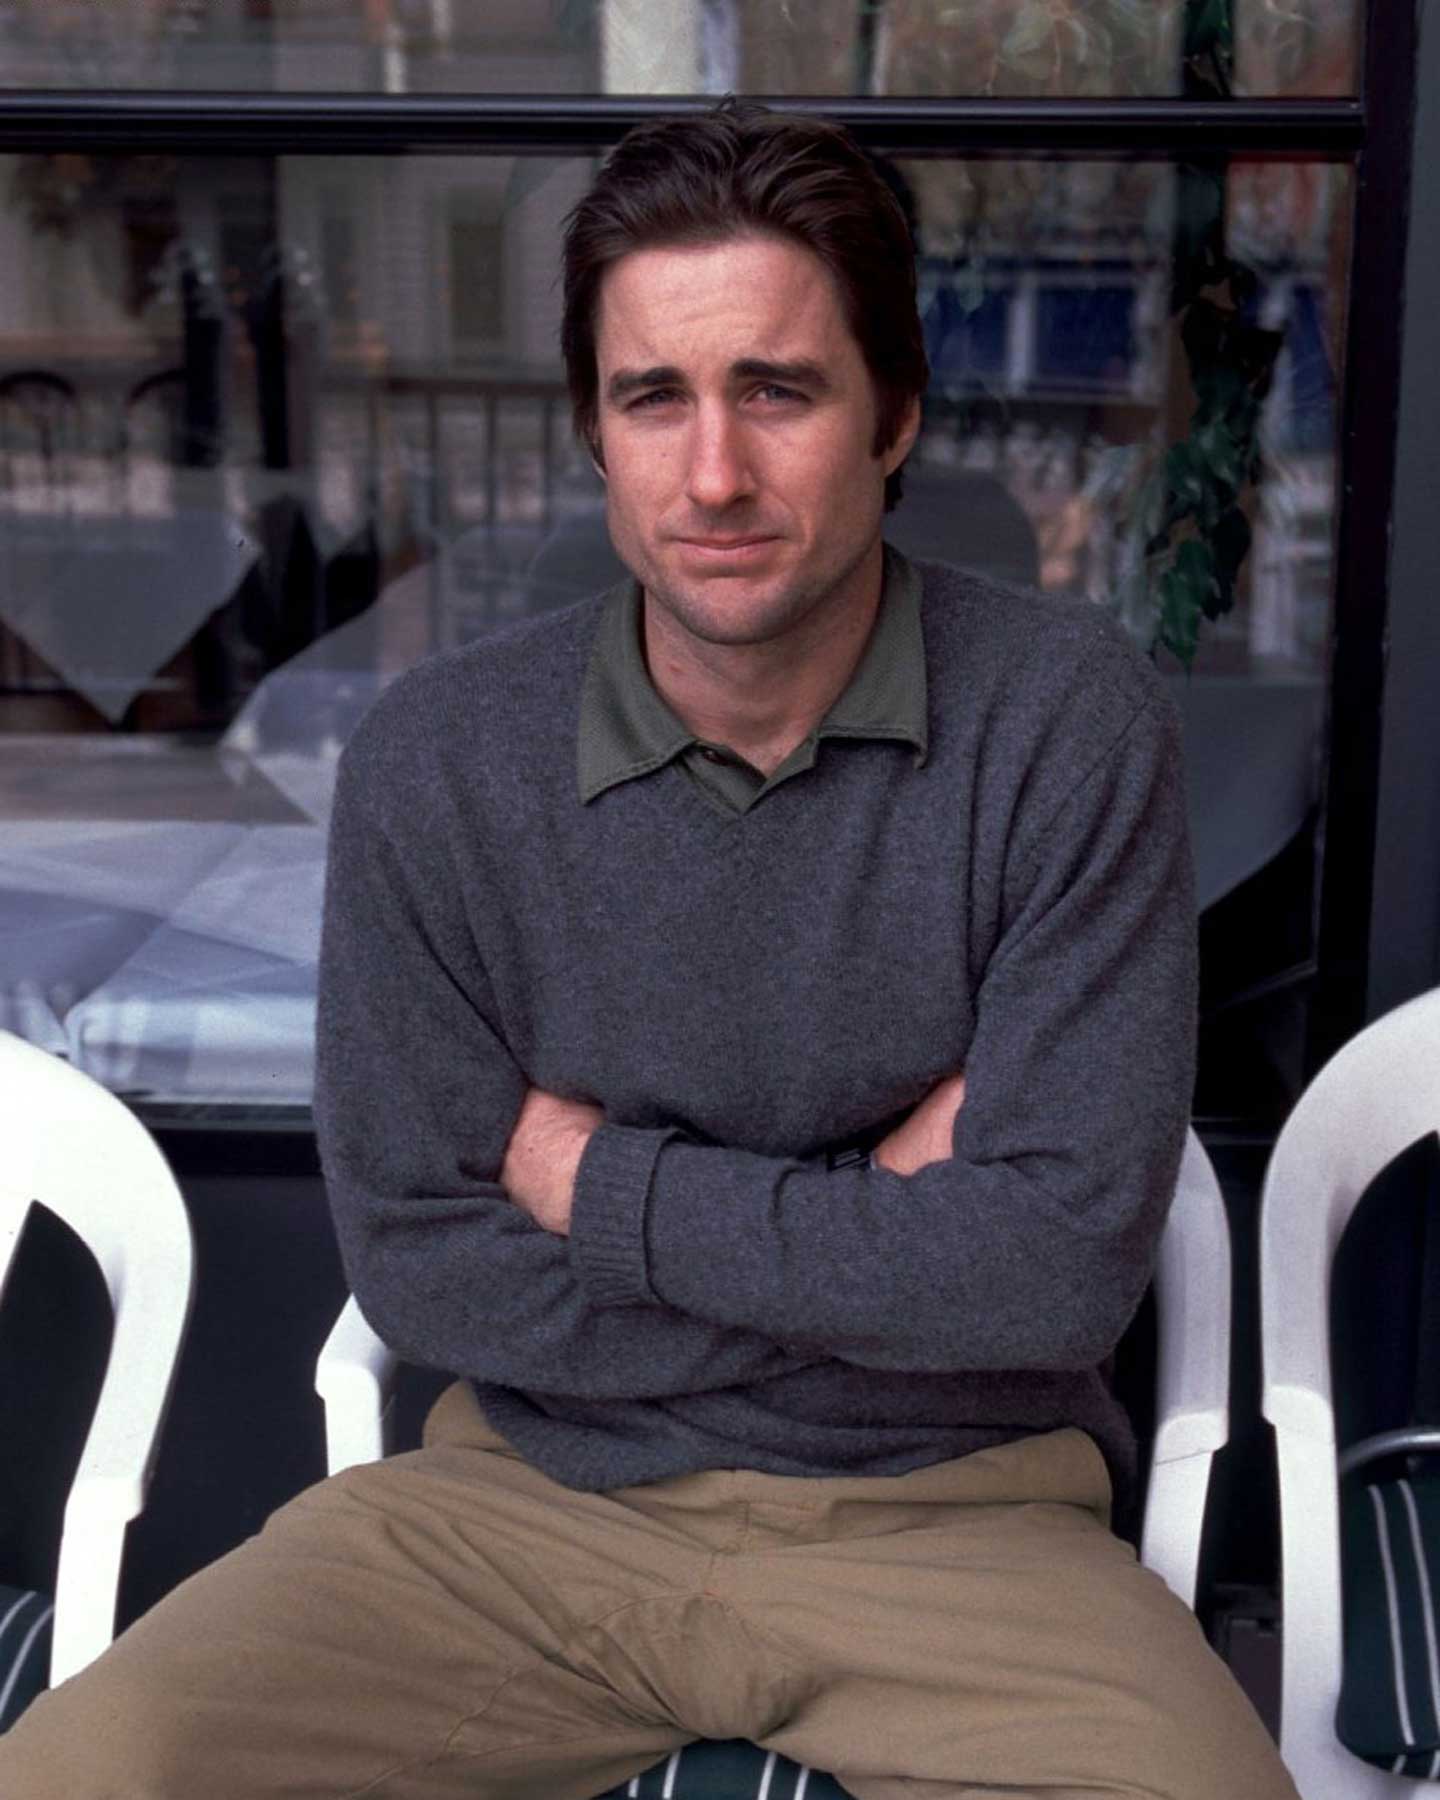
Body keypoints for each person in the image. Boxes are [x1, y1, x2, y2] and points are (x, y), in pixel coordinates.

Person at [0, 101, 1298, 1799]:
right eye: (654, 397)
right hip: (518, 1510)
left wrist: (591, 1182)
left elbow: (1048, 1278)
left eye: (779, 391)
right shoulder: (440, 760)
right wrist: (880, 1218)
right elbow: (428, 1264)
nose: (715, 475)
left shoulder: (1066, 725)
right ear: (593, 433)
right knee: (91, 1770)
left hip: (962, 1521)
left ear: (897, 413)